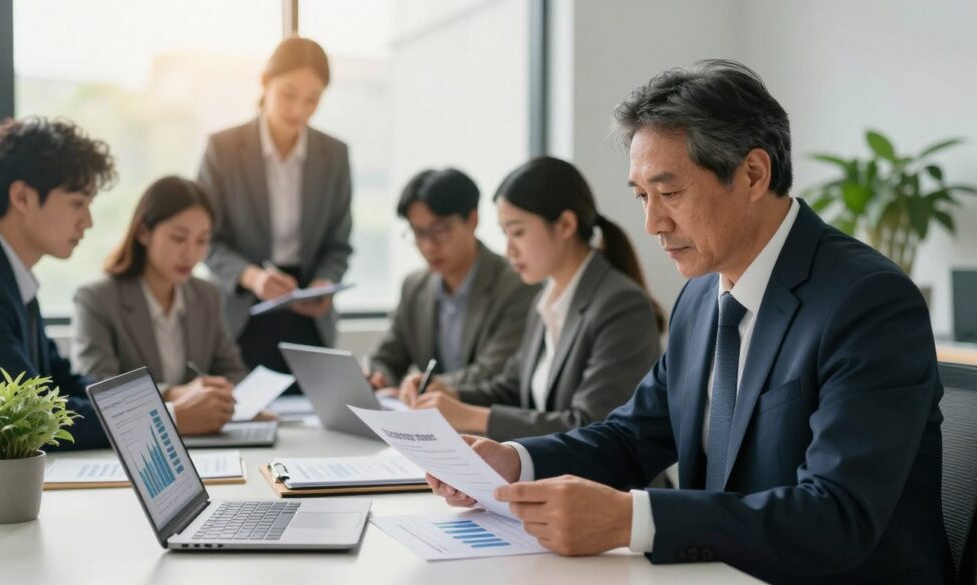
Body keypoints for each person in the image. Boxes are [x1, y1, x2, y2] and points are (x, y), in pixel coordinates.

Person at [427, 60, 947, 584]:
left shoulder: (866, 301)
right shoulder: (701, 296)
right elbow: (632, 437)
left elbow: (838, 514)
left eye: (670, 193)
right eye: (642, 196)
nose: (653, 223)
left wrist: (632, 520)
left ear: (752, 174)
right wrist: (513, 461)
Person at [399, 157, 664, 441]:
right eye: (505, 234)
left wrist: (472, 417)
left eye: (518, 232)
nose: (509, 250)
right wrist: (450, 394)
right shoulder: (547, 299)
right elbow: (512, 388)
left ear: (565, 225)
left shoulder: (619, 304)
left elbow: (591, 425)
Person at [0, 117, 116, 467]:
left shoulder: (9, 276)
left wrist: (152, 400)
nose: (87, 222)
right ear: (22, 196)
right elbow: (30, 418)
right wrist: (166, 417)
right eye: (77, 202)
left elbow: (60, 384)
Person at [197, 36, 352, 377]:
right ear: (265, 82)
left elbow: (338, 243)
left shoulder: (334, 155)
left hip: (309, 309)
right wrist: (252, 277)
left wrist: (326, 281)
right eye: (289, 94)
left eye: (313, 99)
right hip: (243, 307)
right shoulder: (222, 149)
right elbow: (206, 241)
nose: (299, 109)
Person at [72, 176, 246, 436]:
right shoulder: (96, 299)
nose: (191, 254)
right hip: (139, 443)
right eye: (179, 238)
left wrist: (218, 392)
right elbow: (97, 387)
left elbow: (232, 370)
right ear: (143, 233)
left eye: (202, 241)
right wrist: (172, 395)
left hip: (207, 438)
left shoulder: (206, 295)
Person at [367, 168, 538, 392]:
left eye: (439, 231)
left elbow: (495, 371)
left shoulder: (516, 284)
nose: (428, 245)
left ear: (472, 220)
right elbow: (386, 356)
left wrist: (419, 388)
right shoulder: (414, 286)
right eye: (418, 233)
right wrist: (378, 377)